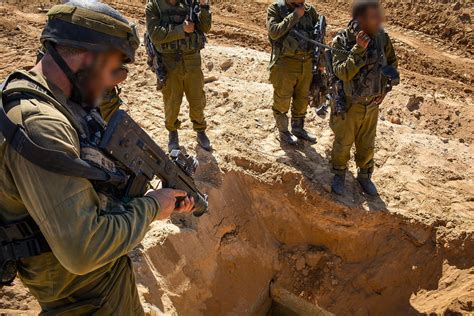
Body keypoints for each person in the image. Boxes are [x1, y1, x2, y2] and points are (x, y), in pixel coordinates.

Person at [0, 1, 195, 314]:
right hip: (84, 299)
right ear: (89, 57)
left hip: (98, 286)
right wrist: (152, 207)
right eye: (111, 70)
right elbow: (83, 249)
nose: (111, 83)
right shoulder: (41, 126)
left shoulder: (53, 96)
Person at [330, 0, 398, 196]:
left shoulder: (381, 38)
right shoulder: (342, 41)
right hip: (351, 104)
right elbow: (342, 73)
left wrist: (385, 90)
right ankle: (339, 175)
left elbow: (391, 64)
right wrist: (358, 49)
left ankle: (365, 176)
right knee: (343, 142)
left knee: (367, 144)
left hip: (372, 104)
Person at [146, 0, 213, 152]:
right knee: (172, 101)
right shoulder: (154, 6)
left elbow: (205, 28)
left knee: (197, 99)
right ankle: (172, 132)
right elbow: (155, 34)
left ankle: (200, 130)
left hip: (192, 60)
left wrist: (203, 6)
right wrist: (181, 29)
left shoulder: (190, 3)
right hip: (169, 63)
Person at [267, 0, 320, 145]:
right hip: (286, 64)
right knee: (282, 100)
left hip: (306, 64)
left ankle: (298, 128)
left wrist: (320, 64)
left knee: (302, 99)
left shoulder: (310, 11)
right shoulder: (276, 9)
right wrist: (295, 16)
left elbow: (318, 38)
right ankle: (283, 131)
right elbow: (274, 32)